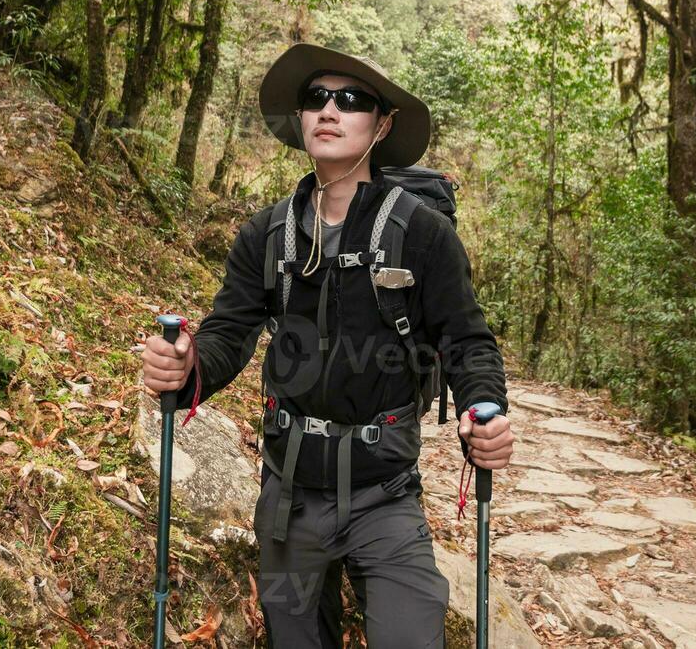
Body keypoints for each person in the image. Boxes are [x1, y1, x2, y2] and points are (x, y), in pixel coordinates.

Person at [142, 42, 514, 648]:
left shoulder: (422, 234)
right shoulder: (266, 233)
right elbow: (229, 332)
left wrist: (481, 413)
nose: (330, 110)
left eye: (352, 100)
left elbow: (467, 340)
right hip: (289, 498)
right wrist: (186, 365)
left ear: (382, 124)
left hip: (386, 496)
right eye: (317, 98)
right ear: (301, 117)